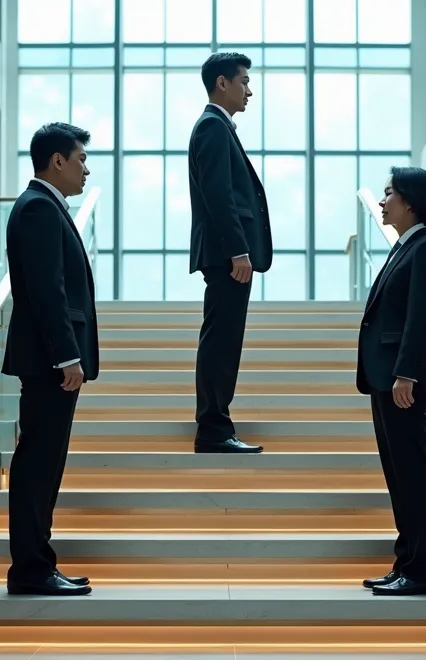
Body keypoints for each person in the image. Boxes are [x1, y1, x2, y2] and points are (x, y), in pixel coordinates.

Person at [2, 122, 98, 597]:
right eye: (80, 159)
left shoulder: (43, 207)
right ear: (56, 161)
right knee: (39, 467)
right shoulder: (39, 208)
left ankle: (38, 565)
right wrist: (66, 356)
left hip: (47, 363)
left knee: (44, 465)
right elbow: (47, 292)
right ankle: (32, 570)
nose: (86, 169)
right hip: (48, 364)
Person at [356, 167, 426, 596]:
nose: (382, 201)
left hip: (400, 380)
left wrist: (405, 373)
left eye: (389, 193)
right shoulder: (402, 249)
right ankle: (406, 562)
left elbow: (420, 317)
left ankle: (424, 570)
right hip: (385, 377)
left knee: (412, 473)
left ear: (410, 202)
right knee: (398, 474)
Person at [187, 52, 274, 455]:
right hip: (228, 256)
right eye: (244, 81)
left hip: (228, 255)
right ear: (222, 83)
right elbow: (218, 194)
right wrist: (239, 250)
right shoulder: (212, 127)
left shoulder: (218, 127)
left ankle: (217, 426)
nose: (249, 90)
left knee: (224, 339)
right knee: (222, 341)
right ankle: (214, 430)